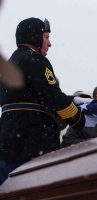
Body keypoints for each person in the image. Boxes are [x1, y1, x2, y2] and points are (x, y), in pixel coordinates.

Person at [0, 17, 85, 184]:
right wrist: (79, 119)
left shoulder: (10, 63)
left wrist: (74, 99)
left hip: (7, 140)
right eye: (46, 37)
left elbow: (31, 97)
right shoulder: (35, 59)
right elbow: (53, 96)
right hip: (31, 141)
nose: (49, 43)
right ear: (34, 37)